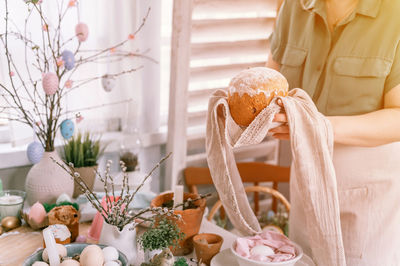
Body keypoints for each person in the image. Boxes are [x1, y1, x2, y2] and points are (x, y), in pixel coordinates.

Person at [266, 0, 400, 265]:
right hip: (306, 182)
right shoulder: (293, 7)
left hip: (368, 199)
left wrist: (320, 126)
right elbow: (272, 81)